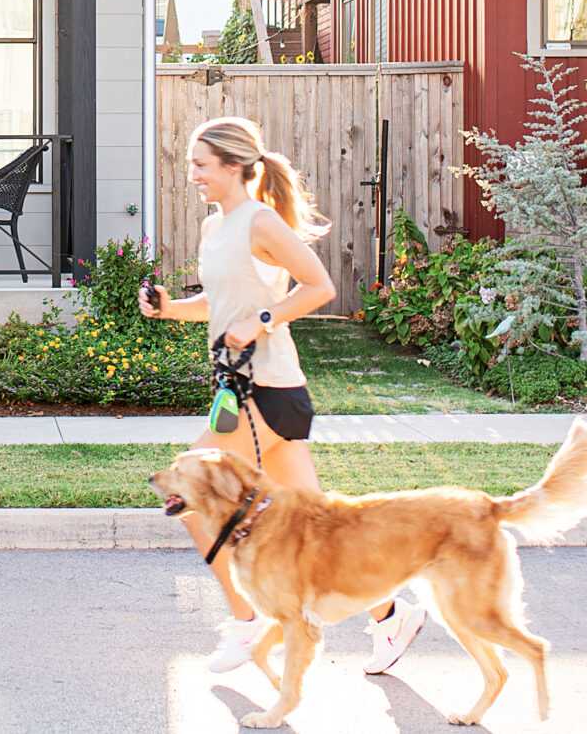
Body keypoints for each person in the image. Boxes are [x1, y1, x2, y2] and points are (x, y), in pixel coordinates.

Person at [138, 116, 422, 677]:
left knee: (191, 499)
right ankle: (391, 616)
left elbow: (320, 287)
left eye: (201, 164)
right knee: (322, 529)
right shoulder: (213, 227)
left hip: (265, 389)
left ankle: (246, 625)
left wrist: (262, 321)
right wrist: (171, 308)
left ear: (233, 166)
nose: (191, 173)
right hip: (242, 388)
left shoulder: (260, 222)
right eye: (192, 163)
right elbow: (222, 302)